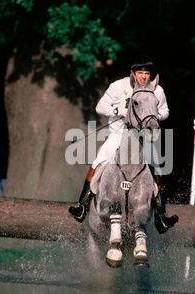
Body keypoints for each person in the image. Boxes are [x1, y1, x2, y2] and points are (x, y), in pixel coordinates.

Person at [68, 55, 178, 234]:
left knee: (157, 167)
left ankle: (160, 215)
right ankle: (83, 205)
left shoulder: (156, 90)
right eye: (140, 73)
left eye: (147, 74)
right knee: (99, 162)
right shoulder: (118, 86)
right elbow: (100, 107)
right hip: (119, 134)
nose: (144, 77)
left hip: (143, 137)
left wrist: (155, 115)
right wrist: (119, 110)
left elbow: (165, 111)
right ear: (133, 73)